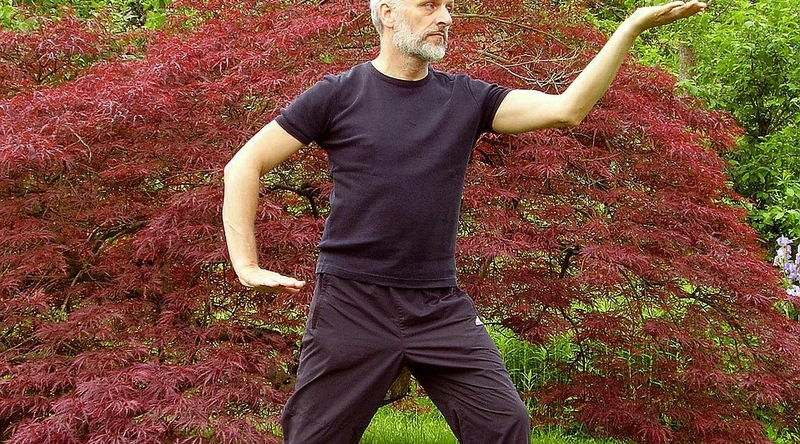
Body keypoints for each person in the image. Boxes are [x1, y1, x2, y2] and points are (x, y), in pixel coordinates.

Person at [222, 0, 706, 442]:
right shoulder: (338, 95)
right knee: (313, 437)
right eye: (429, 5)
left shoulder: (467, 99)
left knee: (504, 425)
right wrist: (246, 264)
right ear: (387, 14)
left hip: (438, 305)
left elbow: (566, 110)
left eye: (448, 6)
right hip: (351, 302)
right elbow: (244, 165)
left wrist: (629, 28)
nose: (446, 17)